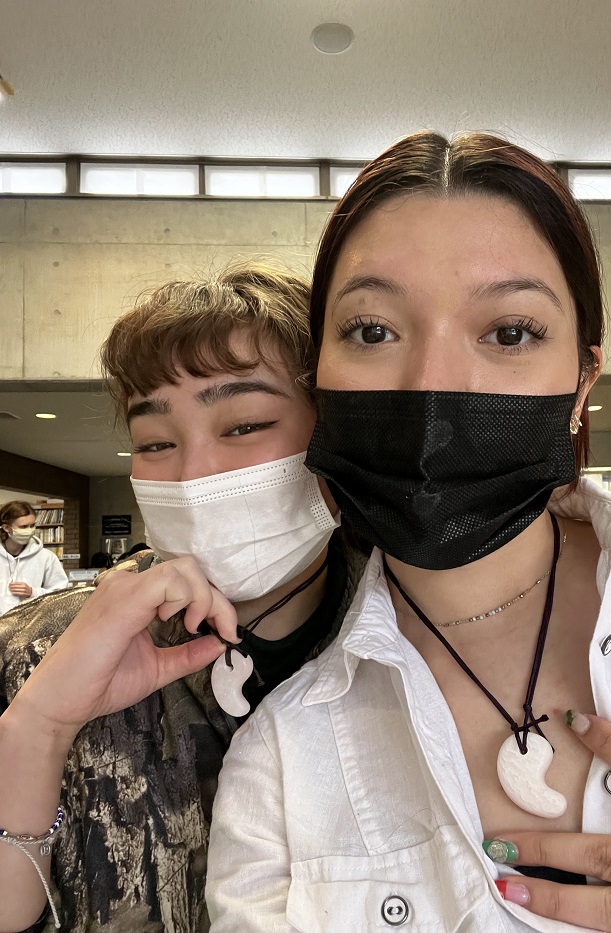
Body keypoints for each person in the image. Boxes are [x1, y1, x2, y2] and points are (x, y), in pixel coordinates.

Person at [207, 133, 611, 932]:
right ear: (320, 376)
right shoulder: (281, 762)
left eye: (509, 333)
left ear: (583, 382)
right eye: (372, 331)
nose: (434, 384)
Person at [0, 264, 360, 933]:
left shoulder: (416, 646)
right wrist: (38, 728)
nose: (193, 474)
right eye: (155, 442)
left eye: (246, 424)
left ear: (338, 434)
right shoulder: (32, 652)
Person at [0, 501, 68, 615]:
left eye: (32, 525)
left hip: (32, 625)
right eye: (23, 526)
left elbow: (61, 594)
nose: (30, 530)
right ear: (6, 528)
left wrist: (33, 592)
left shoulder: (46, 557)